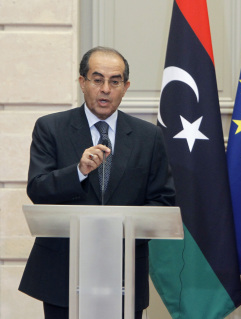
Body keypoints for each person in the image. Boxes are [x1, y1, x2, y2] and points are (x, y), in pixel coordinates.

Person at [19, 46, 176, 319]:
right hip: (63, 273)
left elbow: (162, 202)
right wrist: (78, 171)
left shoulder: (148, 137)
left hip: (124, 272)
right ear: (82, 82)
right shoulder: (51, 128)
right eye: (97, 79)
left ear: (125, 87)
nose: (105, 88)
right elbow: (38, 188)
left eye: (115, 81)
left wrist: (118, 237)